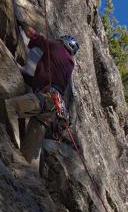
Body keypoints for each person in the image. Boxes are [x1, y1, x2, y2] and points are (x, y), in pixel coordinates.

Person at [5, 21, 80, 167]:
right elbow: (42, 81)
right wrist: (24, 75)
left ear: (62, 42)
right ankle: (24, 175)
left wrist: (21, 22)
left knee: (11, 107)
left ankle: (7, 146)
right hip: (52, 108)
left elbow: (34, 36)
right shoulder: (68, 65)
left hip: (46, 99)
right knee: (29, 153)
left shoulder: (56, 47)